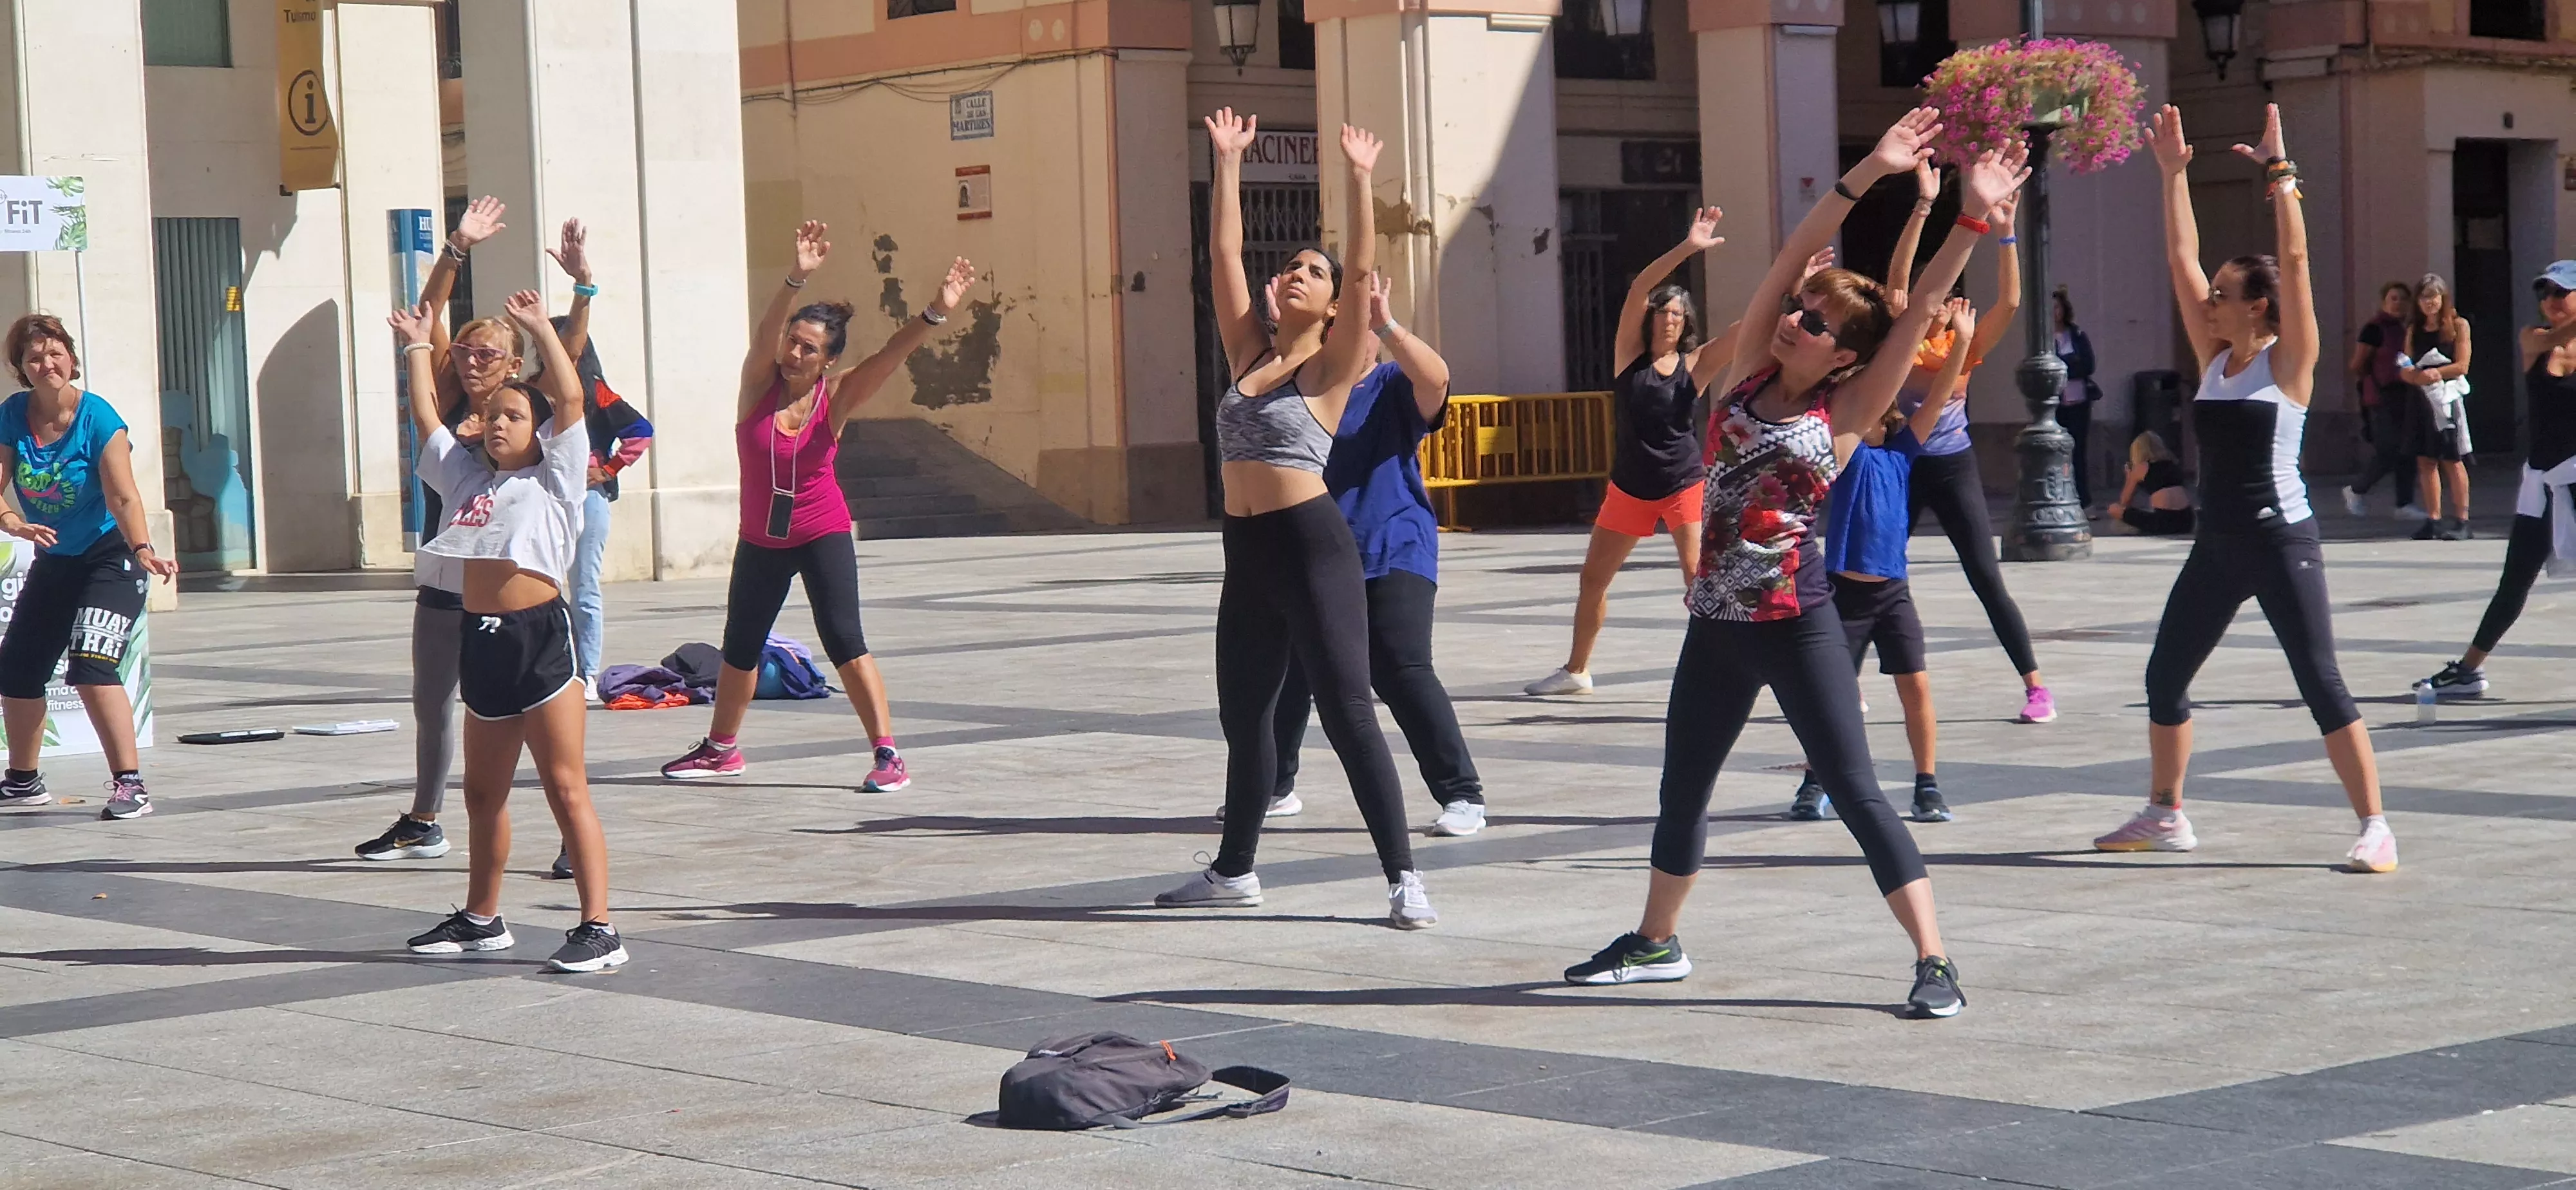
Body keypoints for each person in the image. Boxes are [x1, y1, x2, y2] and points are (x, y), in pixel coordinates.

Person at [1562, 109, 2025, 1019]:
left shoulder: (1846, 417)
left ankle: (1935, 962)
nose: (1797, 319)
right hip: (1717, 628)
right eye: (1801, 311)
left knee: (1855, 790)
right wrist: (1870, 172)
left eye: (1817, 324)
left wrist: (1970, 220)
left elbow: (1923, 308)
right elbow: (1794, 250)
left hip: (1797, 624)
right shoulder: (1738, 374)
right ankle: (1657, 942)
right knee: (1681, 788)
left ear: (1849, 358)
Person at [2092, 104, 2394, 874]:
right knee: (2164, 675)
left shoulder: (2286, 362)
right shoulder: (2215, 360)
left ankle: (2375, 825)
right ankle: (2165, 813)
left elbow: (2295, 267)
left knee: (2319, 680)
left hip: (2279, 540)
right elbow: (2179, 260)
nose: (2208, 301)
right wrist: (2171, 175)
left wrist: (2280, 175)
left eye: (2223, 294)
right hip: (2216, 546)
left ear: (2255, 306)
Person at [1157, 110, 1437, 929]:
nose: (1292, 277)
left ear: (1331, 299)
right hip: (1247, 555)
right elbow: (1221, 258)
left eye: (1308, 273)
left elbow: (1360, 269)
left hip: (1314, 551)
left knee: (1349, 713)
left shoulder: (1333, 367)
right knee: (1247, 722)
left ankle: (1403, 879)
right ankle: (1234, 871)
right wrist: (1228, 163)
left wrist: (1356, 178)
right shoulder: (1249, 352)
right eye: (1289, 269)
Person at [659, 222, 972, 793]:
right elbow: (761, 335)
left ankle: (887, 754)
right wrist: (795, 278)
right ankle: (721, 749)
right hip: (760, 538)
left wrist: (934, 313)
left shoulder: (839, 396)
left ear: (826, 361)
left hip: (820, 529)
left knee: (844, 638)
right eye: (792, 341)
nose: (793, 352)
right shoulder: (758, 385)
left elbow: (889, 356)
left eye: (807, 347)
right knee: (741, 643)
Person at [390, 288, 628, 972]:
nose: (497, 424)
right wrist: (415, 344)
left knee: (564, 785)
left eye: (514, 415)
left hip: (541, 640)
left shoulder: (555, 481)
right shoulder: (467, 482)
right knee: (482, 794)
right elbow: (426, 419)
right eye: (492, 415)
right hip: (483, 640)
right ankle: (481, 919)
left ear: (539, 429)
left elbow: (574, 402)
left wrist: (537, 330)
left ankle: (599, 927)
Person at [1263, 273, 1484, 838]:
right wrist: (1282, 333)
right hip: (1317, 554)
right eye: (1341, 327)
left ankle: (1462, 794)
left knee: (1401, 667)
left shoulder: (1389, 383)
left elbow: (1438, 379)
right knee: (1292, 671)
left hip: (1394, 546)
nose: (1351, 337)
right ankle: (1276, 786)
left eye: (1362, 328)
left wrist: (1389, 323)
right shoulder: (1303, 388)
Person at [1525, 207, 1733, 696]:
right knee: (1593, 578)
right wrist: (1688, 248)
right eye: (1663, 312)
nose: (1669, 320)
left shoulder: (1695, 364)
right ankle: (1576, 671)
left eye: (1679, 315)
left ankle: (1724, 670)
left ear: (1688, 324)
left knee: (1696, 579)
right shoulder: (1628, 357)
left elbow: (1749, 330)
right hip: (1631, 486)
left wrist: (1795, 293)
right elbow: (1641, 286)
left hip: (1684, 483)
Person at [1786, 296, 1976, 826]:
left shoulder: (1902, 452)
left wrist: (1960, 341)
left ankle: (1927, 785)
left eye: (1880, 412)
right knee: (1828, 696)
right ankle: (1814, 780)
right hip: (1841, 595)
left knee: (1915, 685)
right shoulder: (1839, 453)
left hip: (1892, 593)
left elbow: (1936, 400)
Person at [1884, 162, 2055, 724]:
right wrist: (1923, 204)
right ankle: (1848, 683)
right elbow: (1897, 281)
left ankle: (2035, 687)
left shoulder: (1966, 343)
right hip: (1901, 465)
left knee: (1985, 575)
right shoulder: (1904, 332)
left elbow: (2009, 302)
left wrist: (2007, 232)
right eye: (1928, 302)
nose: (1932, 309)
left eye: (1944, 302)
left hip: (1953, 465)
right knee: (1878, 572)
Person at [0, 316, 180, 818]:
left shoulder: (98, 417)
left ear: (72, 360)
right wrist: (13, 522)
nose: (46, 364)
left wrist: (142, 547)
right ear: (22, 368)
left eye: (55, 354)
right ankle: (22, 781)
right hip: (56, 558)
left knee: (91, 666)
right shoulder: (13, 415)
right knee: (16, 669)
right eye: (34, 357)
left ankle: (130, 785)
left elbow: (123, 493)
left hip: (112, 554)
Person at [2412, 260, 2576, 698]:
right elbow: (2557, 336)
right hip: (2543, 482)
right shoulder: (2535, 338)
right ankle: (2468, 670)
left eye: (2561, 293)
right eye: (2545, 293)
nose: (2550, 302)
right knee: (2515, 579)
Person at [538, 218, 658, 702]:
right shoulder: (534, 392)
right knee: (543, 588)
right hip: (546, 497)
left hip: (588, 500)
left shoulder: (597, 391)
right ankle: (551, 667)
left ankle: (587, 673)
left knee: (584, 586)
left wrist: (606, 471)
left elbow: (641, 432)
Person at [2401, 273, 2474, 540]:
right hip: (2420, 399)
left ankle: (2462, 520)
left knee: (2452, 459)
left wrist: (2437, 374)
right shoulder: (2414, 329)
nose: (2429, 302)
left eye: (2433, 296)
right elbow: (2404, 362)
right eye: (2424, 297)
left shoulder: (2458, 325)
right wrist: (2410, 375)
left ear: (2443, 298)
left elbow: (2462, 365)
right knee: (2425, 460)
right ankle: (2433, 519)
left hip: (2446, 398)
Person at [2342, 281, 2420, 518]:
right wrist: (2375, 380)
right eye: (2393, 299)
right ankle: (2356, 490)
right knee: (2388, 450)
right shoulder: (2374, 329)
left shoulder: (2408, 328)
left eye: (2403, 299)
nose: (2398, 303)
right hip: (2380, 397)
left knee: (2409, 450)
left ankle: (2404, 504)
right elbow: (2357, 364)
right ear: (2384, 302)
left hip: (2407, 395)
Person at [2053, 285, 2098, 510]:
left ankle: (2084, 501)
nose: (2055, 312)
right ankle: (2060, 499)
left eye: (2058, 308)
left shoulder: (2077, 335)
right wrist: (2071, 365)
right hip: (2057, 405)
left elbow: (2089, 365)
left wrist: (2065, 366)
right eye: (2051, 308)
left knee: (2078, 451)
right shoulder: (2043, 338)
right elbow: (2048, 368)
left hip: (2079, 402)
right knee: (2057, 454)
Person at [2107, 431, 2194, 536]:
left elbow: (2125, 502)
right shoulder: (2173, 464)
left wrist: (2129, 477)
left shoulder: (2142, 467)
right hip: (2187, 520)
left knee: (2114, 509)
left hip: (2163, 522)